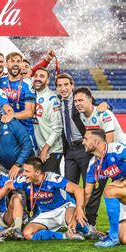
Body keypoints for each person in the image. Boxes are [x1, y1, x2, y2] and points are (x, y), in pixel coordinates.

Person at [0, 157, 98, 241]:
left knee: (74, 220)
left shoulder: (52, 178)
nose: (24, 174)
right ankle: (65, 236)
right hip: (45, 213)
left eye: (27, 171)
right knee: (27, 234)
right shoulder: (24, 180)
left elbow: (78, 189)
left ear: (37, 173)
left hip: (64, 208)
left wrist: (79, 209)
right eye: (24, 170)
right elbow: (7, 187)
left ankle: (89, 231)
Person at [56, 74, 109, 227]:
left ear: (72, 85)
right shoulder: (58, 102)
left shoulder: (79, 99)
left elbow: (98, 107)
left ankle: (91, 222)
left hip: (85, 148)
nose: (63, 88)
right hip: (70, 150)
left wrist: (106, 105)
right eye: (59, 85)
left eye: (66, 84)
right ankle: (75, 221)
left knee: (89, 186)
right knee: (70, 187)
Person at [82, 129, 126, 247]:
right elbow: (87, 193)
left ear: (96, 142)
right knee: (124, 238)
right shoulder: (93, 164)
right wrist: (79, 210)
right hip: (123, 196)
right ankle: (117, 235)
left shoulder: (116, 149)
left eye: (86, 139)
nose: (82, 142)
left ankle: (113, 236)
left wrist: (122, 182)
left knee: (109, 190)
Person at [0, 52, 36, 147]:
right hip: (5, 132)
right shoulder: (1, 81)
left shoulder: (27, 84)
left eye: (18, 61)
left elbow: (29, 112)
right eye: (12, 61)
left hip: (25, 132)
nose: (15, 64)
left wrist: (12, 116)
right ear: (6, 64)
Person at [32, 67, 63, 173]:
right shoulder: (30, 95)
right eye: (35, 76)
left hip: (52, 150)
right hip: (38, 149)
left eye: (42, 76)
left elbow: (58, 129)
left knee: (47, 182)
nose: (37, 79)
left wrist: (45, 149)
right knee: (51, 184)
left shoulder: (52, 99)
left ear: (48, 80)